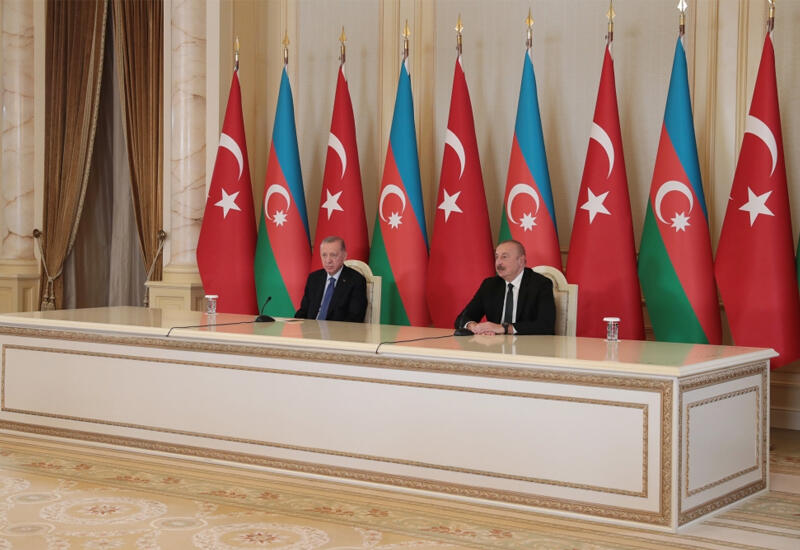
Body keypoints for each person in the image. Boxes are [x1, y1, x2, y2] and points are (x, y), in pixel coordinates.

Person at [455, 240, 555, 335]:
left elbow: (546, 325)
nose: (498, 263)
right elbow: (462, 318)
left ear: (521, 261)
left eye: (504, 257)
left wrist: (505, 328)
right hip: (495, 344)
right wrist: (473, 326)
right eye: (497, 257)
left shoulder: (540, 284)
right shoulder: (489, 285)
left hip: (528, 345)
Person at [295, 236, 367, 322]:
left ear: (344, 256)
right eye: (324, 255)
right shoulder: (314, 278)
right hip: (311, 328)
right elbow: (303, 311)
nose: (328, 260)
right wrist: (294, 324)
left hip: (338, 329)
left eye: (333, 255)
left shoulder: (356, 280)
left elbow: (355, 317)